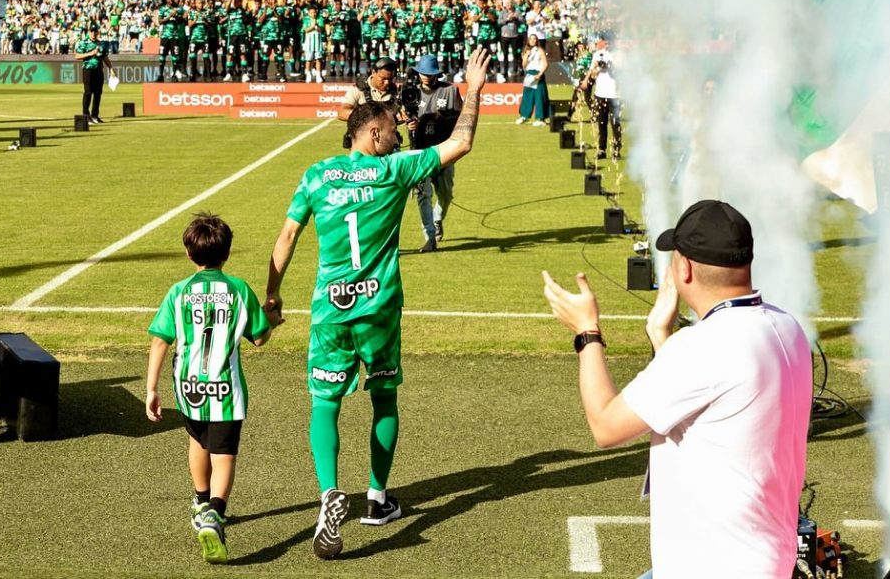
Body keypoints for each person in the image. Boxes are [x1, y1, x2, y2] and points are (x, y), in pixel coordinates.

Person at [265, 49, 491, 560]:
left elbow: (286, 237)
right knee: (383, 398)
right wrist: (472, 91)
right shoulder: (394, 171)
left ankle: (329, 495)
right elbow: (463, 141)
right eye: (391, 129)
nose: (397, 134)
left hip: (329, 309)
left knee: (325, 403)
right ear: (371, 134)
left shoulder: (317, 175)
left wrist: (273, 294)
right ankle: (375, 498)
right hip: (379, 309)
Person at [541, 199, 813, 579]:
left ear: (683, 267)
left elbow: (606, 426)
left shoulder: (704, 347)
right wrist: (659, 335)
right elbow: (712, 395)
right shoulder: (788, 327)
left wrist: (587, 332)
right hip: (760, 556)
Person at [145, 213, 277, 564]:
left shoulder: (179, 292)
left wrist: (151, 389)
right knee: (225, 454)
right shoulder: (238, 290)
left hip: (187, 386)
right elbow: (260, 338)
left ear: (189, 255)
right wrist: (272, 319)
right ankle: (215, 514)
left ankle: (201, 499)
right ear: (228, 254)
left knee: (197, 440)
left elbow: (160, 341)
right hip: (224, 388)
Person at [409, 54, 463, 252]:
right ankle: (429, 237)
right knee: (424, 195)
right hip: (420, 152)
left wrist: (444, 118)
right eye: (423, 73)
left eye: (430, 74)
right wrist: (409, 122)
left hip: (444, 151)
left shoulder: (450, 91)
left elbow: (462, 119)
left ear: (437, 75)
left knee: (446, 195)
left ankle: (438, 218)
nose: (426, 77)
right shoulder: (410, 92)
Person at [583, 36, 621, 160]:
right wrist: (593, 72)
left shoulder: (618, 54)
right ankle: (602, 149)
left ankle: (616, 149)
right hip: (600, 93)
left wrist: (608, 66)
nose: (607, 43)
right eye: (605, 41)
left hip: (614, 94)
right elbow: (592, 72)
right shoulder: (597, 54)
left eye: (609, 41)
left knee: (615, 123)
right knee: (601, 123)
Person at [74, 24, 111, 124]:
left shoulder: (100, 44)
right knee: (88, 92)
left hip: (99, 70)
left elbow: (105, 57)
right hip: (88, 69)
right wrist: (91, 53)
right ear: (89, 32)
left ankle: (95, 115)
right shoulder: (84, 43)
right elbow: (77, 56)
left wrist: (111, 68)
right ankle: (86, 115)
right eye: (92, 31)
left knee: (98, 93)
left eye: (95, 31)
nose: (94, 33)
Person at [515, 33, 550, 127]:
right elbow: (524, 65)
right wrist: (526, 56)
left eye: (534, 39)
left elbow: (545, 63)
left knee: (540, 96)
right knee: (527, 95)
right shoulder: (526, 50)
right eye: (531, 39)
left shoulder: (540, 50)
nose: (533, 40)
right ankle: (524, 116)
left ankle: (541, 118)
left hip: (538, 73)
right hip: (529, 74)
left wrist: (540, 74)